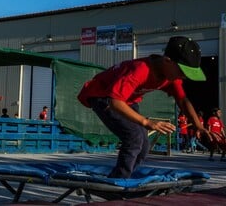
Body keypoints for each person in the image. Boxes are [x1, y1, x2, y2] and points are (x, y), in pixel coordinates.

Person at [77, 36, 216, 178]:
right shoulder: (139, 70)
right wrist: (146, 122)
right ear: (167, 61)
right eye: (182, 72)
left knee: (144, 146)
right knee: (134, 137)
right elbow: (115, 102)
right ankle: (119, 179)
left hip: (128, 101)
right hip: (103, 96)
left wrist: (199, 126)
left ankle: (123, 175)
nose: (184, 77)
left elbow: (183, 100)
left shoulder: (171, 77)